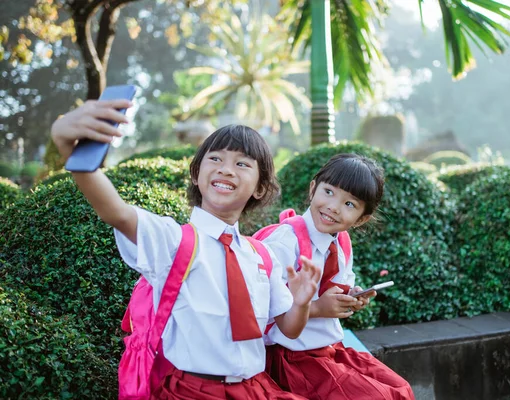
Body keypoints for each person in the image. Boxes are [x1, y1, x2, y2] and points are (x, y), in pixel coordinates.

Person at [51, 98, 321, 399]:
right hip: (191, 391)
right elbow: (116, 212)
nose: (227, 170)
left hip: (255, 389)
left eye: (242, 164)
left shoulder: (263, 256)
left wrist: (301, 302)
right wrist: (74, 153)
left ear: (259, 187)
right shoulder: (173, 240)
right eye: (215, 159)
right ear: (196, 174)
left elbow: (289, 328)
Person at [261, 153, 415, 400]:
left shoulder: (341, 242)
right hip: (291, 358)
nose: (333, 206)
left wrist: (352, 296)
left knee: (400, 389)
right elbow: (262, 307)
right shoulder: (285, 242)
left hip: (328, 349)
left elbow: (340, 285)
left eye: (349, 204)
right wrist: (318, 308)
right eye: (329, 192)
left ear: (361, 219)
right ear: (313, 188)